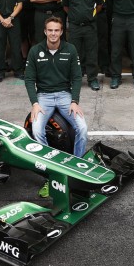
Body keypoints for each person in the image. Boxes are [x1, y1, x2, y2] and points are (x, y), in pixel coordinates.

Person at [25, 16, 89, 197]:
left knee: (82, 128)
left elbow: (77, 77)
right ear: (45, 31)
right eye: (50, 30)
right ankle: (50, 174)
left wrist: (74, 101)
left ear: (62, 32)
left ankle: (75, 168)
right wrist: (34, 103)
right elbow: (29, 79)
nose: (53, 33)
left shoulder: (70, 50)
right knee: (37, 130)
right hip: (43, 97)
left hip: (64, 96)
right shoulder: (35, 51)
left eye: (57, 30)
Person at [64, 0, 103, 90]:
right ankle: (76, 79)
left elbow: (99, 5)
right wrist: (75, 16)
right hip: (75, 27)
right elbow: (65, 7)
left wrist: (91, 16)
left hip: (90, 27)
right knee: (74, 53)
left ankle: (92, 79)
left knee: (91, 53)